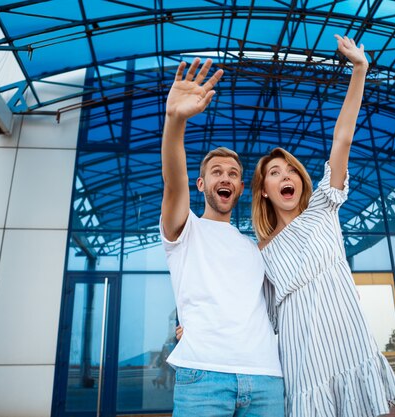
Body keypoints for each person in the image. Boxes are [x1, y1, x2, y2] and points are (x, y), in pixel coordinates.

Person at [251, 35, 395, 416]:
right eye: (274, 172)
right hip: (303, 363)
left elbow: (343, 137)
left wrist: (359, 69)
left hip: (348, 344)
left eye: (290, 170)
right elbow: (250, 313)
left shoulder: (322, 208)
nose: (285, 176)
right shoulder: (261, 254)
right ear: (265, 191)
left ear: (300, 181)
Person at [160, 57, 284, 417]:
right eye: (216, 172)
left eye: (233, 173)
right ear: (201, 185)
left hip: (266, 379)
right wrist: (175, 120)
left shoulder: (255, 248)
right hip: (204, 379)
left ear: (242, 187)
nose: (225, 178)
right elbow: (173, 181)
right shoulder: (184, 231)